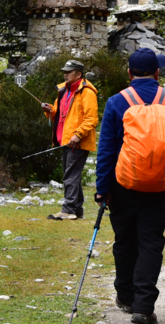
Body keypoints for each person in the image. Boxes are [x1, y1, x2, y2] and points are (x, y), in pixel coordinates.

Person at [95, 48, 165, 324]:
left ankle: (126, 296)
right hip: (160, 185)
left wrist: (101, 187)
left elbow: (107, 150)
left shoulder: (116, 102)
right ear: (158, 73)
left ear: (130, 73)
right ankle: (143, 307)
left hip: (123, 184)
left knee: (125, 240)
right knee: (151, 243)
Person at [41, 59, 98, 220]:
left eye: (69, 71)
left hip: (77, 141)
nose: (65, 74)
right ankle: (76, 210)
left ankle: (68, 210)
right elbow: (59, 114)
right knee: (72, 174)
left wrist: (78, 135)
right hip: (65, 140)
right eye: (64, 71)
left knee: (70, 175)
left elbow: (91, 119)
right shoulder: (64, 91)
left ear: (78, 74)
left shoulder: (87, 92)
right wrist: (49, 110)